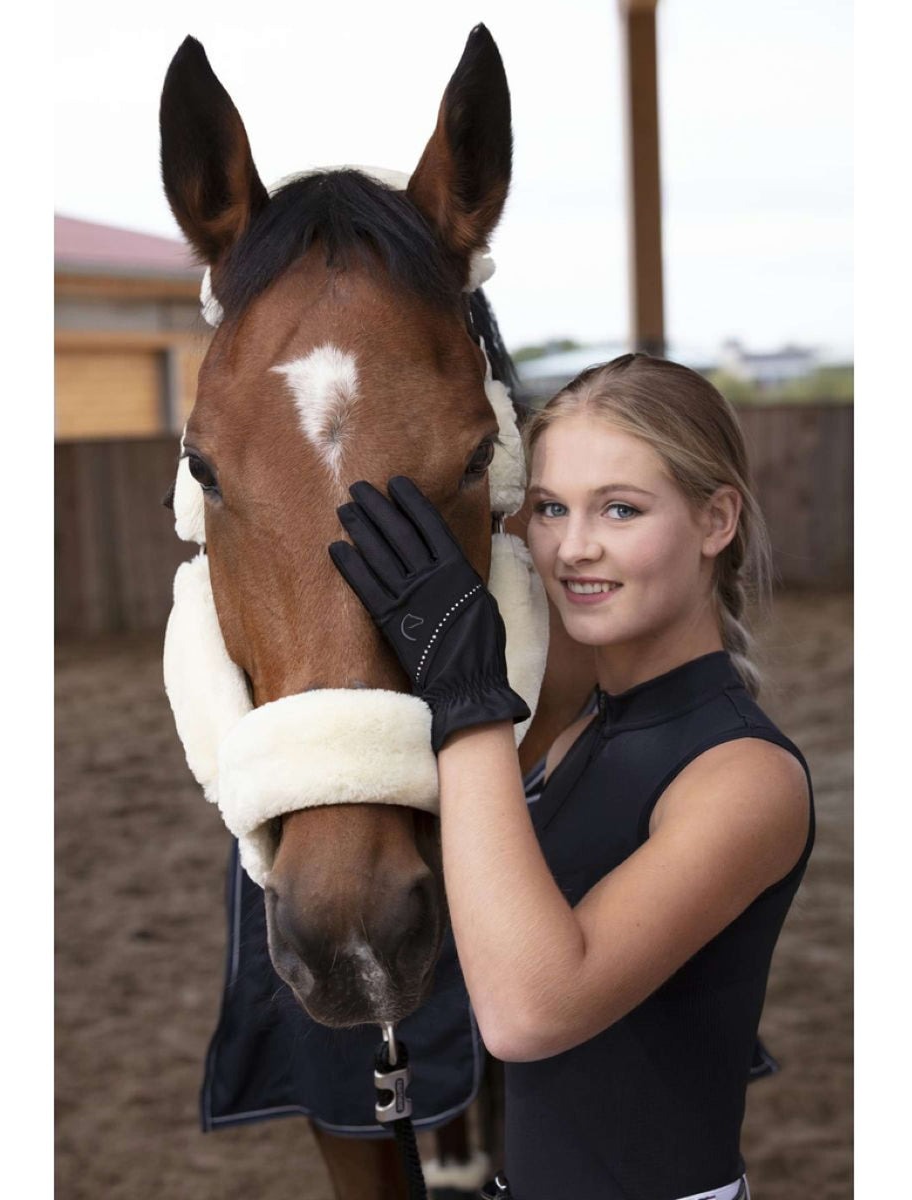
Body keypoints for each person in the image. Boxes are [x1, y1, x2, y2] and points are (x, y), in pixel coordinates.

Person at [328, 352, 815, 1200]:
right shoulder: (582, 726)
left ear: (716, 521)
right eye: (551, 508)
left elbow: (529, 1014)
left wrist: (468, 694)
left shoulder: (744, 774)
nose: (573, 548)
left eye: (620, 509)